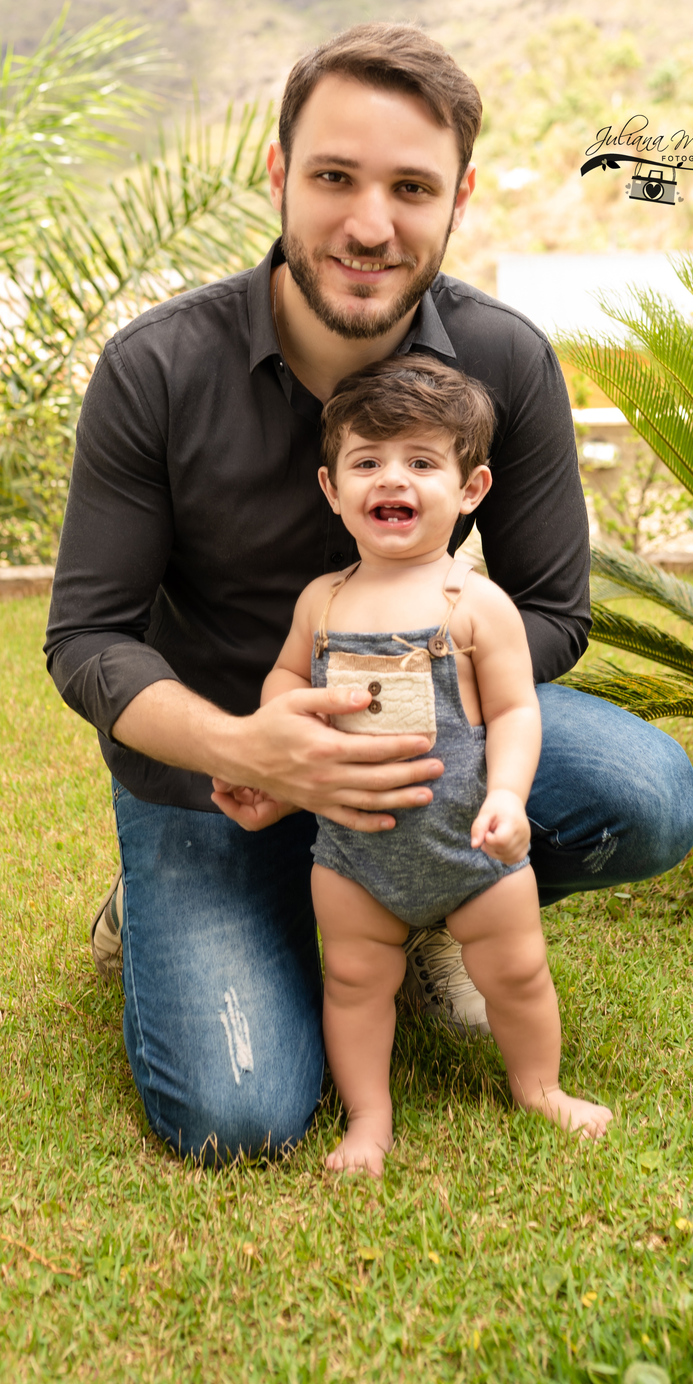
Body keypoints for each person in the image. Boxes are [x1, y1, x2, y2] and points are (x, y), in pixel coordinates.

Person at [45, 20, 693, 1164]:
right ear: (279, 174)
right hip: (222, 773)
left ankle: (428, 901)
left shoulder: (507, 361)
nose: (368, 224)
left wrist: (444, 692)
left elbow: (555, 610)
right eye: (335, 178)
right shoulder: (157, 368)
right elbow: (88, 638)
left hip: (434, 758)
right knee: (239, 1118)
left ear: (459, 199)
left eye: (411, 187)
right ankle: (165, 904)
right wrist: (251, 750)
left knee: (647, 796)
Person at [212, 357, 614, 1174]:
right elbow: (287, 677)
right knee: (354, 981)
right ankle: (369, 1118)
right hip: (353, 855)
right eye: (368, 461)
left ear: (471, 489)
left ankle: (540, 1087)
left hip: (470, 846)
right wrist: (272, 728)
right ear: (332, 488)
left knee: (517, 971)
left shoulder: (476, 603)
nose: (392, 478)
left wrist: (508, 795)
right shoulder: (322, 601)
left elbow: (514, 710)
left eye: (422, 461)